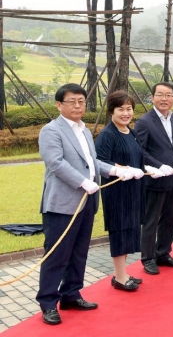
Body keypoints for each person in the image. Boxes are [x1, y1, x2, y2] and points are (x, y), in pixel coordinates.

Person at [37, 84, 141, 325]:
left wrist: (115, 170)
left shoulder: (84, 130)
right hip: (63, 204)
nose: (77, 106)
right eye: (72, 101)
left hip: (87, 201)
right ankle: (48, 303)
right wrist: (83, 181)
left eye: (81, 101)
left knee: (79, 252)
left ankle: (71, 294)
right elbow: (56, 162)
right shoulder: (51, 130)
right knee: (57, 255)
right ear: (59, 105)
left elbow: (93, 162)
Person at [135, 82, 173, 276]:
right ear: (152, 97)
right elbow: (140, 151)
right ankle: (148, 258)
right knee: (152, 220)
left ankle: (163, 253)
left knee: (171, 218)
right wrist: (158, 165)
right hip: (155, 179)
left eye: (168, 95)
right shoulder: (145, 121)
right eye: (160, 95)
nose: (164, 99)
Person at [95, 91, 149, 292]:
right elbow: (100, 161)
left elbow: (139, 157)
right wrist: (121, 169)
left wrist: (147, 169)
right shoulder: (108, 134)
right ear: (111, 112)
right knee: (120, 232)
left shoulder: (131, 131)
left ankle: (123, 273)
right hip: (117, 192)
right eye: (121, 109)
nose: (126, 113)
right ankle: (119, 277)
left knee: (131, 231)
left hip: (134, 191)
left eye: (129, 109)